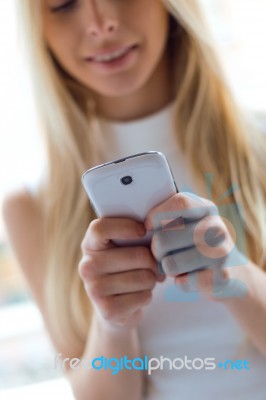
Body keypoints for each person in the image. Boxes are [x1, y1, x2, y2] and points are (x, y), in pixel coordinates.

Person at [2, 0, 266, 399]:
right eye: (63, 4)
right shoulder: (30, 207)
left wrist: (234, 275)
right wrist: (112, 324)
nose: (101, 23)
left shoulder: (260, 147)